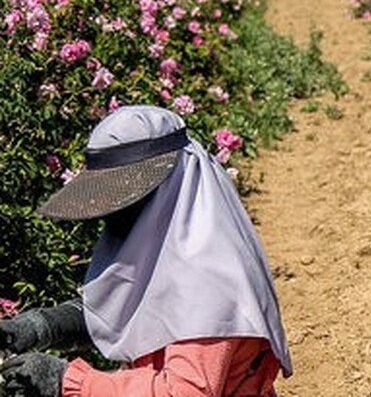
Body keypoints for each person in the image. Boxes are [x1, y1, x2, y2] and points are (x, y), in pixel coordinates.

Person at [0, 105, 292, 396]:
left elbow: (185, 392)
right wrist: (45, 326)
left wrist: (70, 382)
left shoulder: (207, 279)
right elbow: (128, 307)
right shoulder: (172, 245)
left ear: (163, 191)